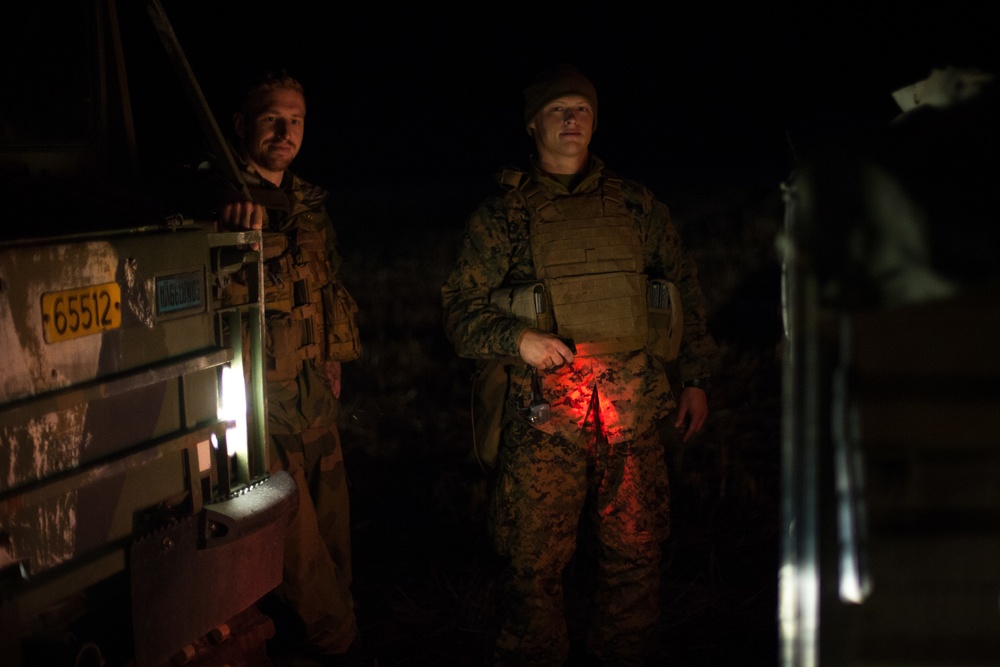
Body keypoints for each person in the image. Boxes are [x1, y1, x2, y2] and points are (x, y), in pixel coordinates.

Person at [441, 64, 717, 666]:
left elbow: (683, 293)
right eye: (559, 109)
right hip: (543, 421)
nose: (572, 119)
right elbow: (459, 312)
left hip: (633, 414)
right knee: (531, 562)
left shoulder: (638, 206)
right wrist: (520, 339)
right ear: (534, 123)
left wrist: (694, 377)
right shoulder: (503, 216)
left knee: (636, 555)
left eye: (582, 109)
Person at [215, 70, 364, 666]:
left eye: (296, 120)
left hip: (312, 396)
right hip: (257, 404)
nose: (285, 131)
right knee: (295, 543)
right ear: (242, 126)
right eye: (273, 118)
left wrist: (331, 359)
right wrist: (219, 231)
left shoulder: (308, 206)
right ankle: (343, 647)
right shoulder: (220, 201)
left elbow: (327, 289)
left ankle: (321, 643)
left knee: (333, 538)